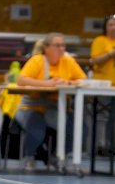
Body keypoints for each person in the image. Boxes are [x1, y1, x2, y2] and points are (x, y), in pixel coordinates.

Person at [13, 32, 86, 171]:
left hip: (55, 108)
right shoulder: (37, 60)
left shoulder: (68, 61)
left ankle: (57, 156)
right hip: (31, 107)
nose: (61, 49)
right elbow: (21, 80)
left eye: (63, 45)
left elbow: (83, 80)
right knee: (36, 127)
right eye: (57, 45)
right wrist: (47, 84)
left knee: (79, 128)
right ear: (46, 48)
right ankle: (30, 157)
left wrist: (67, 82)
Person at [89, 14, 115, 153]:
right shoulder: (99, 40)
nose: (113, 28)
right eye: (110, 25)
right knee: (102, 115)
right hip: (103, 83)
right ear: (105, 27)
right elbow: (94, 60)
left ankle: (112, 144)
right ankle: (100, 144)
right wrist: (111, 53)